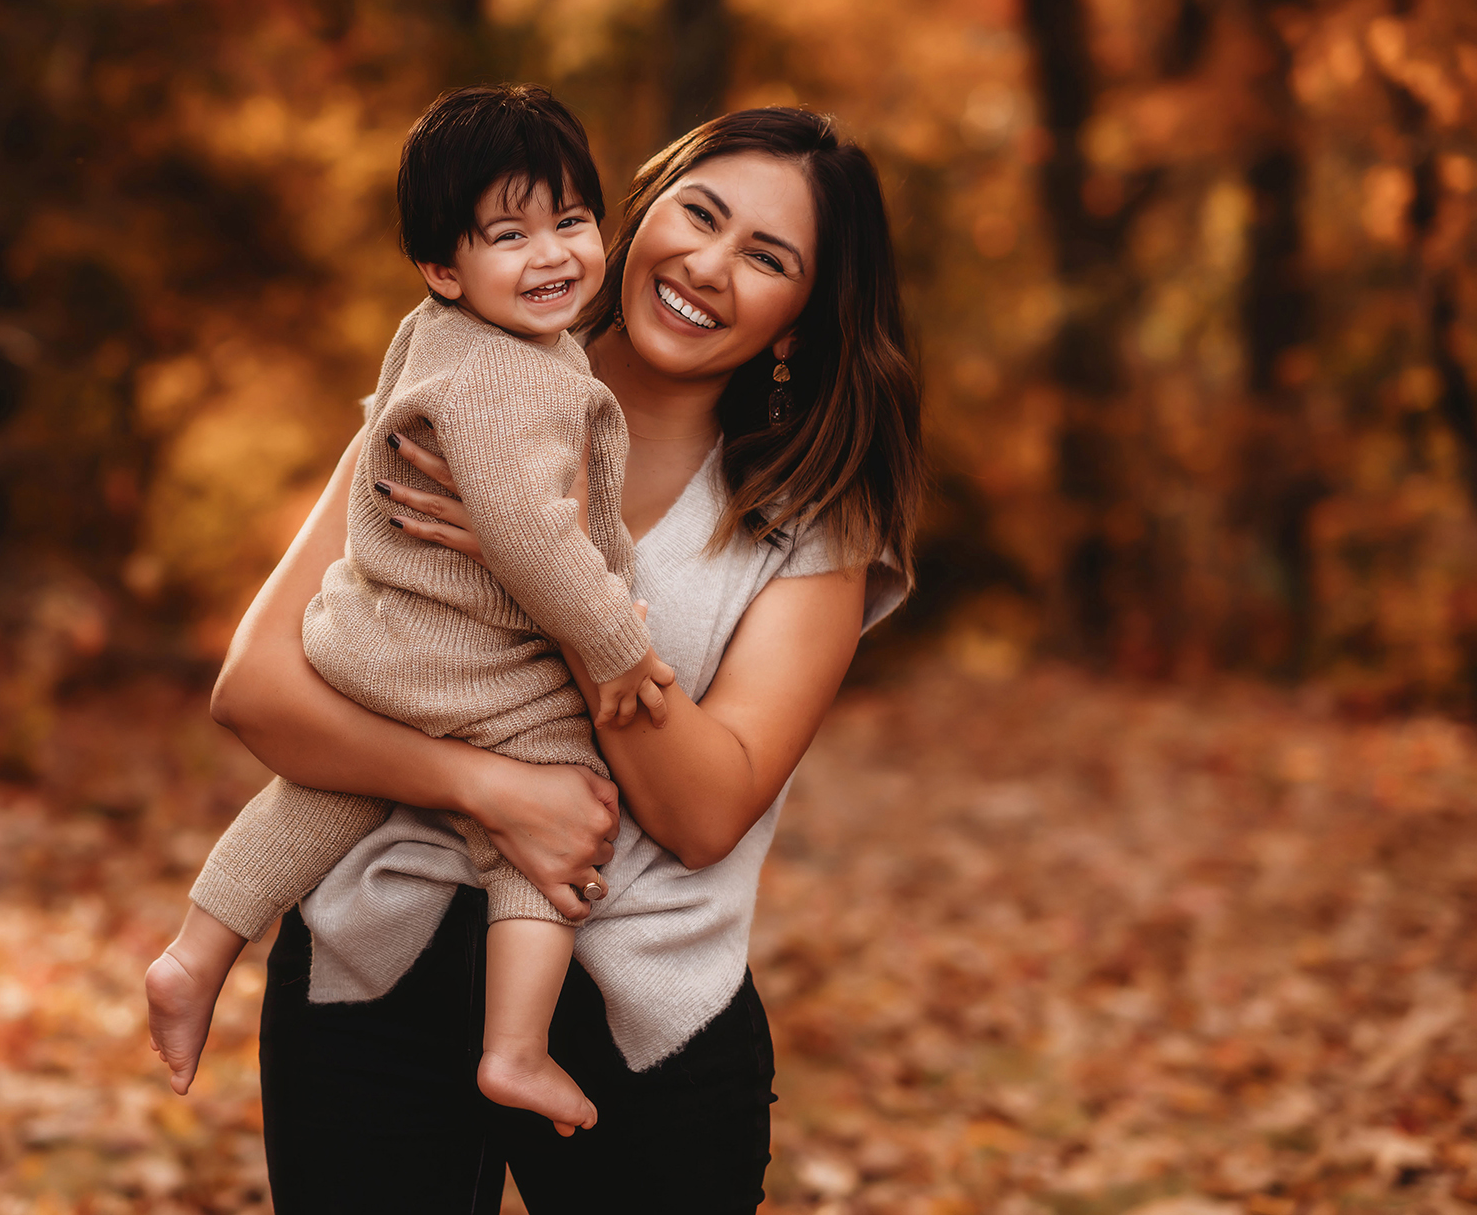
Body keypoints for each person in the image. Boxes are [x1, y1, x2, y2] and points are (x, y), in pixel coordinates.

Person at [214, 107, 922, 1212]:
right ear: (639, 218)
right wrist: (486, 788)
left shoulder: (807, 528)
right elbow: (254, 688)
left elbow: (702, 811)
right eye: (699, 213)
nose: (707, 263)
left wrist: (558, 591)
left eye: (766, 256)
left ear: (796, 321)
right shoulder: (458, 386)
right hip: (374, 963)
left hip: (640, 1012)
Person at [145, 83, 677, 1135]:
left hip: (378, 634)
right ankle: (514, 1048)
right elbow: (532, 541)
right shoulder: (507, 378)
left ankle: (194, 950)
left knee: (329, 788)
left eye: (571, 220)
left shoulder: (441, 335)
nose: (553, 254)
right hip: (453, 655)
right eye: (509, 235)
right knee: (556, 786)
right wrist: (617, 646)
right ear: (444, 267)